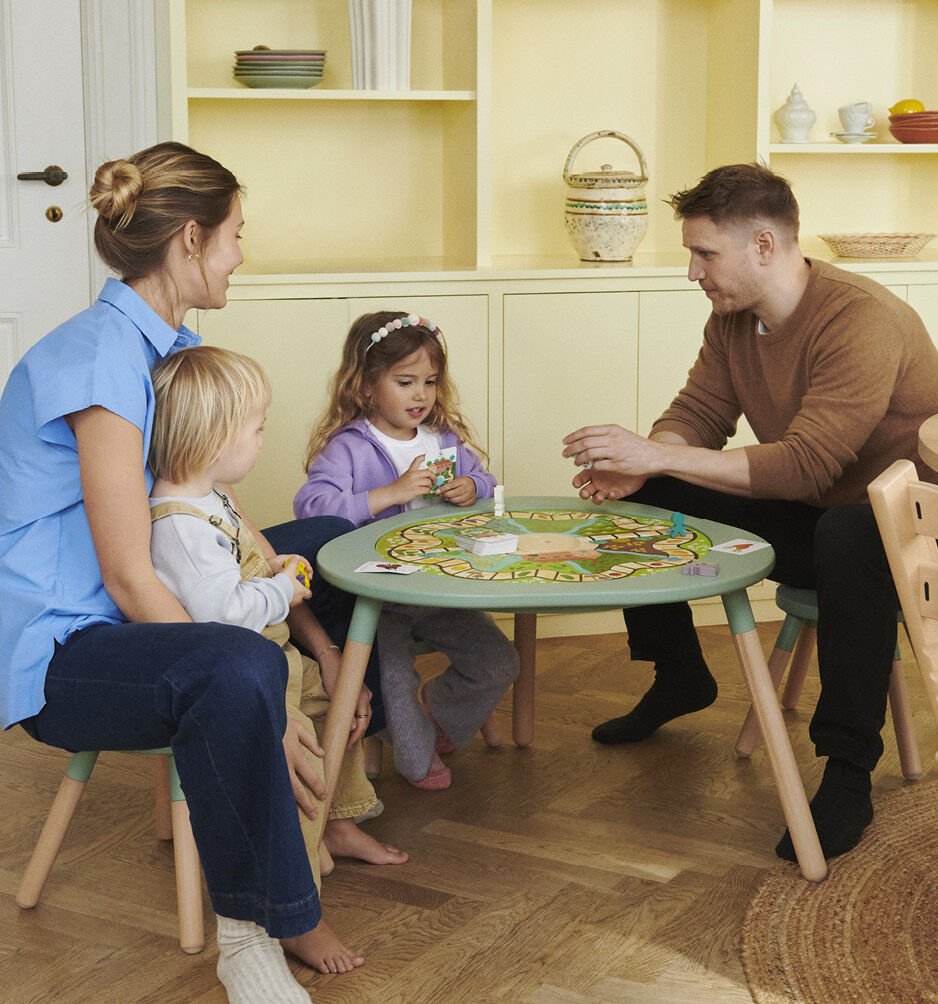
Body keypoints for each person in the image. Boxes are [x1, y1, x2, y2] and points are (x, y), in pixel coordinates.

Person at [0, 141, 374, 1004]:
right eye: (237, 233)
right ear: (193, 239)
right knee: (236, 668)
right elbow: (129, 576)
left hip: (148, 605)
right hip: (68, 649)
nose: (243, 253)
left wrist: (317, 641)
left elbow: (215, 506)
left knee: (339, 546)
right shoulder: (100, 362)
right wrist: (268, 698)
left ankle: (331, 800)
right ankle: (257, 932)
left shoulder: (171, 346)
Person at [562, 163, 938, 862]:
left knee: (847, 530)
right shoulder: (733, 320)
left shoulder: (863, 319)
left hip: (907, 537)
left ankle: (848, 771)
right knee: (648, 492)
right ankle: (679, 674)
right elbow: (699, 413)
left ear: (763, 245)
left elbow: (806, 465)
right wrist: (647, 461)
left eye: (704, 253)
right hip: (817, 517)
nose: (693, 273)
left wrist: (656, 454)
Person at [147, 344, 409, 887]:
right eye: (257, 429)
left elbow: (238, 564)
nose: (263, 440)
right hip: (249, 663)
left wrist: (272, 567)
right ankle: (294, 874)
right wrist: (281, 589)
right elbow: (223, 612)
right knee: (298, 755)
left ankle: (338, 822)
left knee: (338, 705)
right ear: (215, 439)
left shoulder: (210, 497)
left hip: (277, 653)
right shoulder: (180, 524)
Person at [294, 311, 519, 790]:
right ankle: (412, 743)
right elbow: (312, 508)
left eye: (430, 382)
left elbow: (486, 479)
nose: (421, 395)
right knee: (395, 693)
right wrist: (389, 493)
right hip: (377, 599)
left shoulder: (443, 439)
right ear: (365, 387)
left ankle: (437, 712)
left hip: (440, 590)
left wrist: (472, 486)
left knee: (500, 662)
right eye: (405, 382)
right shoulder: (349, 447)